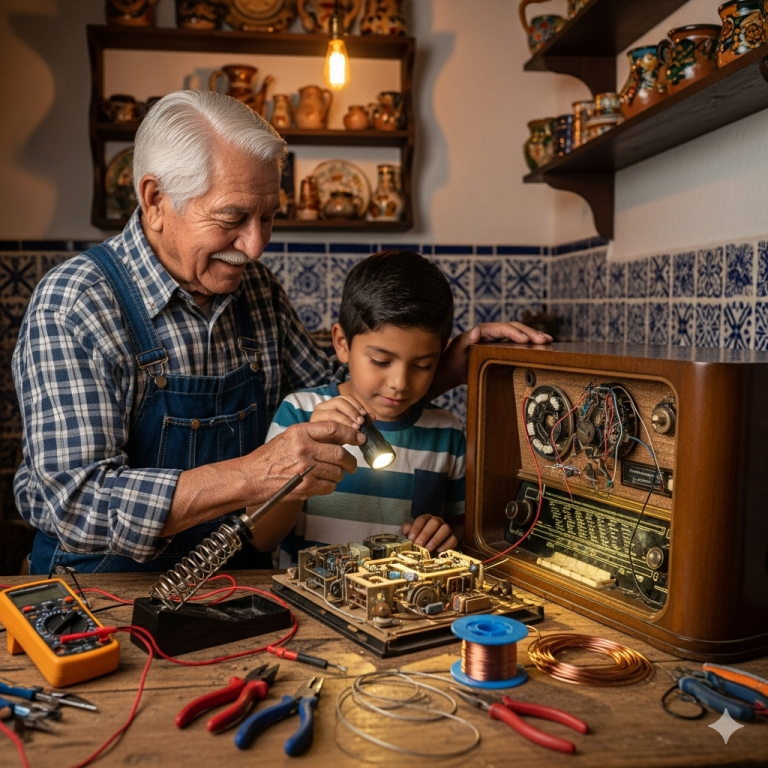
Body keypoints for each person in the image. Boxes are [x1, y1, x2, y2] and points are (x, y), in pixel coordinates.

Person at [12, 90, 551, 576]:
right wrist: (252, 476)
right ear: (155, 201)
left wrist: (451, 364)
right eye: (232, 218)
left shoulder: (257, 291)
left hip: (234, 580)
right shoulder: (77, 303)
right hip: (106, 584)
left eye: (268, 218)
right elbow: (77, 503)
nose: (254, 246)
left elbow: (345, 404)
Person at [261, 250, 465, 567]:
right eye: (381, 361)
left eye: (423, 365)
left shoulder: (447, 434)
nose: (399, 382)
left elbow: (462, 529)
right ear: (342, 344)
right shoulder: (299, 414)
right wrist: (306, 455)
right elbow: (262, 537)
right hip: (310, 603)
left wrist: (446, 534)